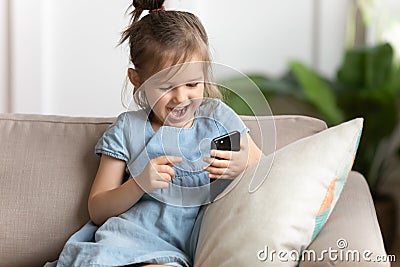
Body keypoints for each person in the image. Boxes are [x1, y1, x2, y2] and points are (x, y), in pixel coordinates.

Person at [47, 0, 262, 266]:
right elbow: (98, 209)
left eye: (192, 84)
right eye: (166, 87)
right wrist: (139, 183)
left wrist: (243, 164)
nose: (181, 97)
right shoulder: (128, 129)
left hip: (172, 253)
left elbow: (267, 171)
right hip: (121, 243)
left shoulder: (217, 119)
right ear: (137, 80)